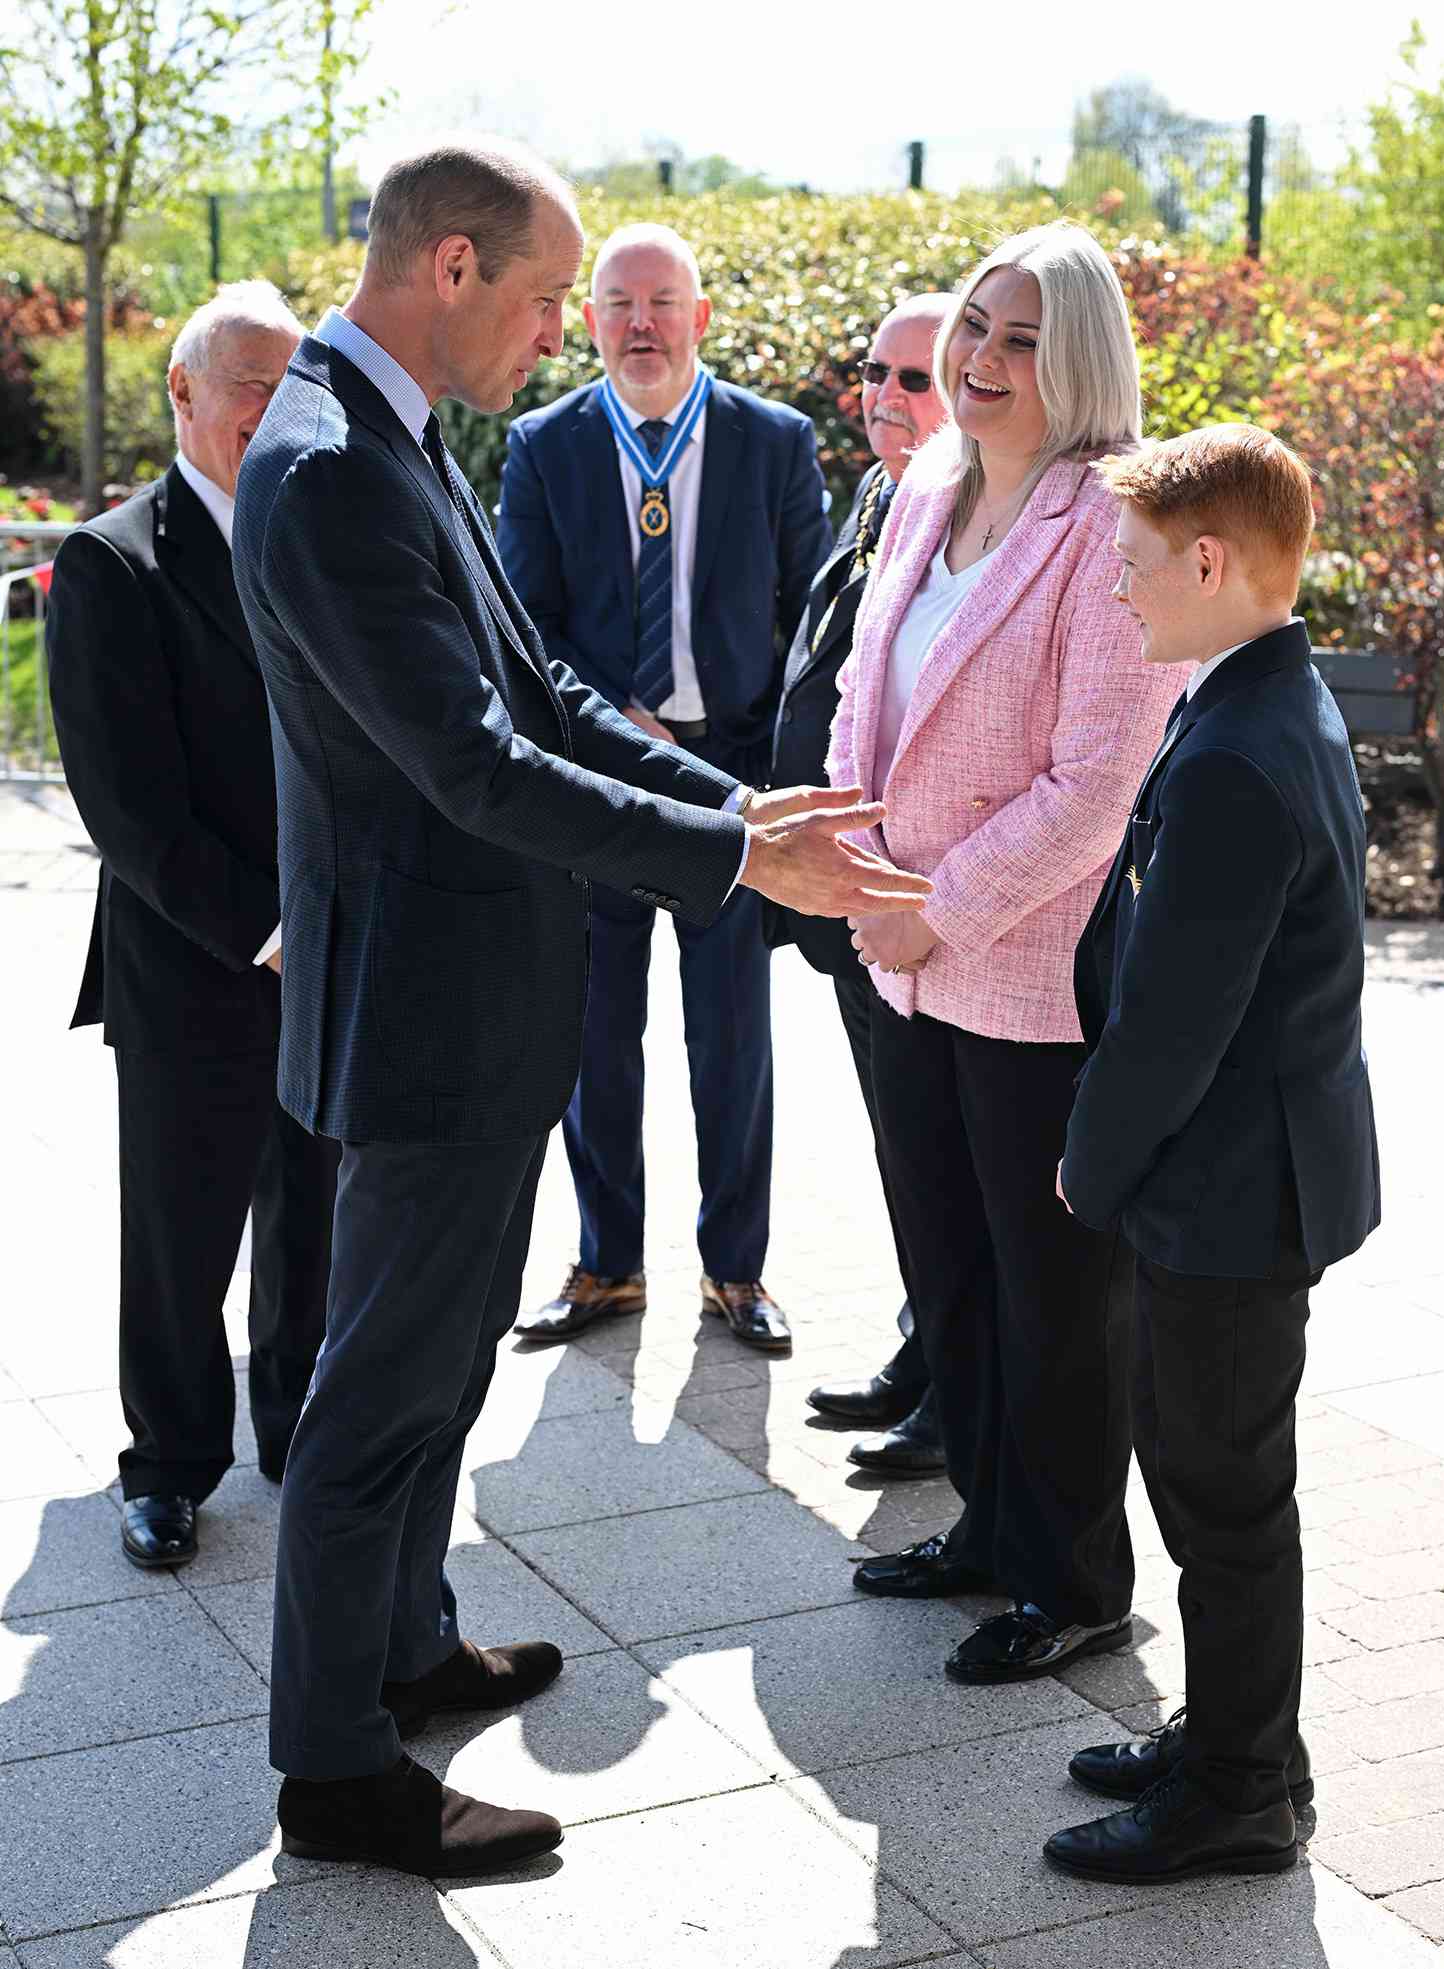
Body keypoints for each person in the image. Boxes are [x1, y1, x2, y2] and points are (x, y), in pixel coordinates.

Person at [232, 140, 931, 1881]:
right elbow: (469, 764)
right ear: (453, 265)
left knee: (444, 1351)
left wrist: (733, 813)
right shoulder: (327, 467)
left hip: (470, 1000)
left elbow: (538, 682)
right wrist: (733, 863)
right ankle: (334, 1768)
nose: (558, 334)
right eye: (548, 295)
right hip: (425, 1012)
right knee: (377, 1392)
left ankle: (405, 1645)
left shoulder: (387, 436)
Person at [827, 222, 1183, 1681]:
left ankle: (1076, 1575)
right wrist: (854, 862)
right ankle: (986, 1524)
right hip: (897, 947)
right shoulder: (927, 483)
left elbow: (1095, 785)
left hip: (1024, 967)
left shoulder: (1112, 519)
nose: (979, 360)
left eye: (1022, 339)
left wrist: (939, 902)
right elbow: (867, 680)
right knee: (952, 1268)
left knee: (1055, 1295)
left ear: (1082, 360)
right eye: (976, 326)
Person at [1045, 425, 1380, 1884]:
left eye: (1131, 566)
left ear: (1208, 560)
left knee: (1221, 1490)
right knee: (1209, 1477)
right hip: (1239, 1173)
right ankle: (1243, 1742)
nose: (1119, 591)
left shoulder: (1245, 746)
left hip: (1232, 1188)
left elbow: (1177, 1022)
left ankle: (1243, 1788)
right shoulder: (1256, 698)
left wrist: (1087, 1164)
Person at [45, 282, 339, 1572]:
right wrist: (265, 925)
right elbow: (128, 807)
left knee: (313, 1215)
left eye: (295, 385)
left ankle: (297, 1429)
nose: (275, 410)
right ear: (183, 392)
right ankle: (166, 1463)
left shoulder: (318, 535)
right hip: (194, 962)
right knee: (179, 1233)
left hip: (331, 949)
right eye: (252, 385)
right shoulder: (115, 561)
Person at [499, 224, 831, 1353]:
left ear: (700, 316)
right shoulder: (544, 446)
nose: (642, 324)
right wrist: (608, 722)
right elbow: (523, 628)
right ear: (588, 320)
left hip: (731, 785)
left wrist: (778, 778)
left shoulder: (773, 442)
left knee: (732, 1040)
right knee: (596, 1033)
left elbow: (809, 631)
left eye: (663, 301)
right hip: (600, 788)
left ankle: (737, 1271)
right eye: (618, 304)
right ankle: (607, 1263)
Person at [769, 294, 951, 1474]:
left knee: (937, 1148)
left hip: (918, 908)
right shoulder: (883, 494)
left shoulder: (963, 515)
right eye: (875, 372)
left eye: (914, 378)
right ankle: (923, 1343)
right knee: (901, 1145)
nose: (884, 396)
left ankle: (954, 1384)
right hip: (849, 899)